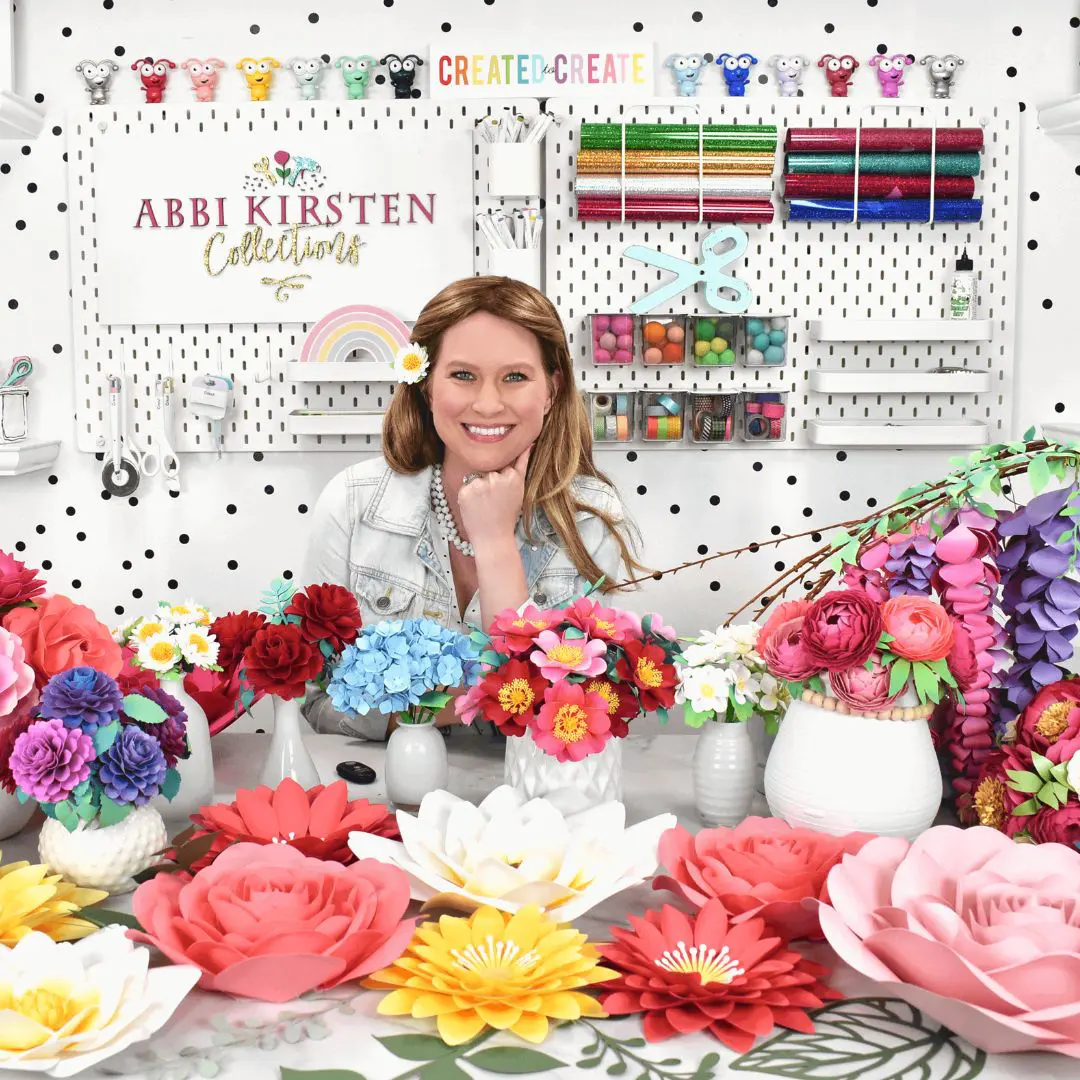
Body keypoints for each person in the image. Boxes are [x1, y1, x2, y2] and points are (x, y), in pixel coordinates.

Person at [302, 276, 643, 740]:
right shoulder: (353, 501)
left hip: (530, 783)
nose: (487, 404)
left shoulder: (593, 516)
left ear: (551, 390)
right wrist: (483, 697)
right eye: (463, 375)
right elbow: (318, 698)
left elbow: (579, 715)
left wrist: (495, 541)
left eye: (515, 377)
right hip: (390, 781)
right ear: (426, 385)